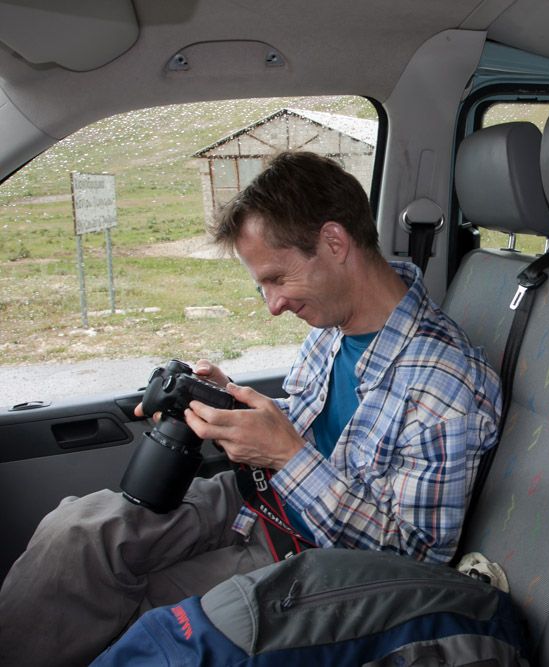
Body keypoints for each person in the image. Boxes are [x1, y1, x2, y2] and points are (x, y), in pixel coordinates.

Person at [0, 151, 502, 666]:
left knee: (150, 616)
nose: (273, 305)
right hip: (254, 501)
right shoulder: (335, 323)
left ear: (334, 243)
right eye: (262, 285)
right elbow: (314, 415)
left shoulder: (446, 384)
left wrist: (286, 456)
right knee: (78, 534)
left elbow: (415, 563)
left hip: (316, 561)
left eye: (277, 279)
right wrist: (231, 400)